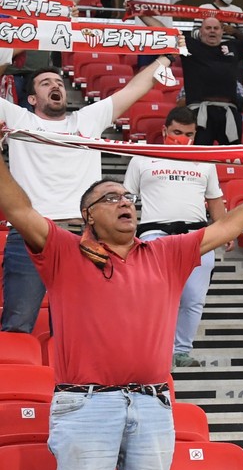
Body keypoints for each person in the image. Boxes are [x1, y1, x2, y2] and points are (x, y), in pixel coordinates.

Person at [0, 142, 243, 470]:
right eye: (111, 197)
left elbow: (226, 226)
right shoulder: (65, 252)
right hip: (87, 403)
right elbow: (18, 210)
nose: (125, 203)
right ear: (88, 215)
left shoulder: (165, 252)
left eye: (129, 197)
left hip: (152, 403)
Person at [0, 60, 169, 333]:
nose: (56, 86)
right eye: (46, 84)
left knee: (76, 327)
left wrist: (167, 57)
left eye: (58, 83)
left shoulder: (87, 120)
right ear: (31, 98)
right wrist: (8, 56)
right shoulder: (21, 119)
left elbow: (136, 87)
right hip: (30, 231)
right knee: (17, 323)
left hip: (83, 235)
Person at [124, 108, 227, 369]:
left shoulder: (204, 160)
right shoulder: (142, 157)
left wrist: (226, 229)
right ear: (164, 131)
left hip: (198, 236)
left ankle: (181, 351)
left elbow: (214, 199)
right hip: (155, 235)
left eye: (188, 134)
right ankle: (154, 350)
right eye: (177, 132)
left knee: (194, 298)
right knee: (155, 298)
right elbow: (126, 199)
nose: (182, 138)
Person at [181, 17, 243, 146]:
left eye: (216, 28)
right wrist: (141, 12)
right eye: (208, 28)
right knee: (198, 158)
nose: (212, 31)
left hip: (229, 112)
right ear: (200, 31)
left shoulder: (232, 47)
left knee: (232, 158)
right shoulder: (189, 45)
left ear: (222, 31)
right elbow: (163, 30)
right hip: (199, 112)